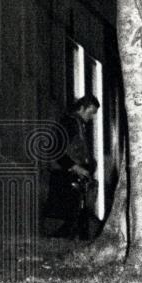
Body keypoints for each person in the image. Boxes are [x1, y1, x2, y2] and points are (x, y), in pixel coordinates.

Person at [44, 95, 99, 240]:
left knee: (74, 218)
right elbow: (55, 149)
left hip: (71, 176)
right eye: (90, 112)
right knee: (65, 219)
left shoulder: (78, 125)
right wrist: (75, 167)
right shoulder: (69, 123)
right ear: (81, 108)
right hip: (64, 177)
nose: (92, 117)